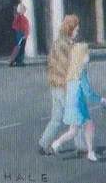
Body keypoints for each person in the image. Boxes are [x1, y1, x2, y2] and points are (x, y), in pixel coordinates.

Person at [38, 15, 86, 156]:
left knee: (56, 118)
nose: (78, 31)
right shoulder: (66, 45)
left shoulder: (58, 42)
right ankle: (81, 147)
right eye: (76, 29)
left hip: (55, 86)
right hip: (65, 87)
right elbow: (69, 68)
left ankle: (43, 144)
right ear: (70, 29)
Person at [50, 43, 106, 162]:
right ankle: (90, 152)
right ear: (81, 56)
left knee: (74, 131)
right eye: (86, 53)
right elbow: (88, 92)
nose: (89, 56)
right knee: (88, 126)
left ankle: (56, 143)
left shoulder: (72, 71)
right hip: (78, 106)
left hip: (74, 105)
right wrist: (101, 99)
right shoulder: (81, 72)